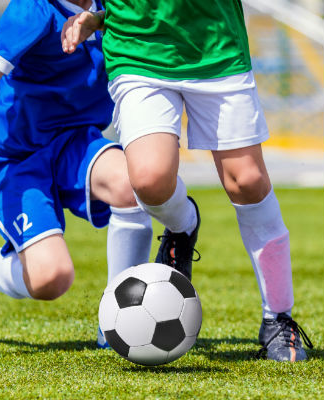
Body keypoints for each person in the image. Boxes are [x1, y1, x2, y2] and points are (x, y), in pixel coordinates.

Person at [61, 1, 314, 361]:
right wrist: (99, 17)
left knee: (246, 181)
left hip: (215, 44)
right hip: (139, 47)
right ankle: (182, 224)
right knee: (149, 179)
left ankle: (278, 318)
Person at [0, 0, 153, 349]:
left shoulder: (118, 6)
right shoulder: (32, 10)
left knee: (134, 184)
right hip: (17, 155)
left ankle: (118, 321)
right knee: (51, 278)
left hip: (74, 140)